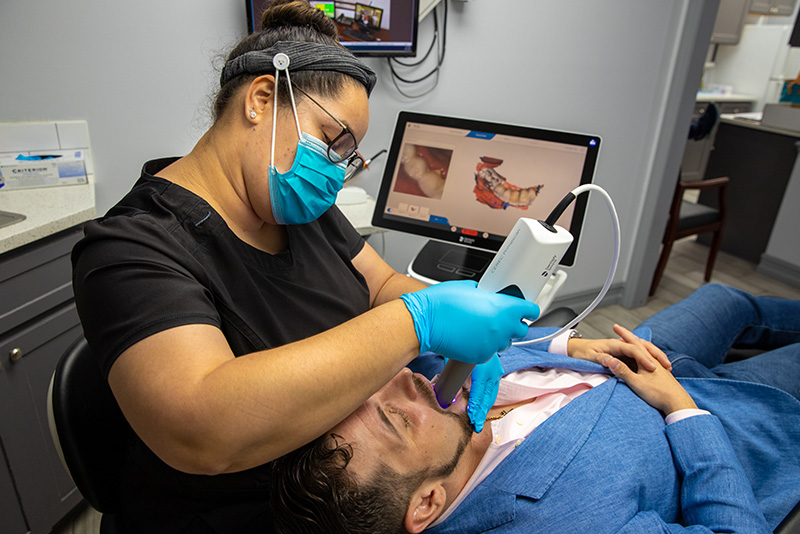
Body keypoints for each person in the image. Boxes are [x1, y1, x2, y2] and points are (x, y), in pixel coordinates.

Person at [70, 2, 537, 532]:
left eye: (349, 156)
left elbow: (381, 283)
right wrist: (417, 322)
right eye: (333, 141)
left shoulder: (295, 207)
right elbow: (201, 425)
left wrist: (485, 334)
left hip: (346, 500)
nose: (337, 171)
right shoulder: (132, 249)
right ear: (262, 99)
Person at [270, 283, 800, 534]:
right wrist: (684, 412)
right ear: (427, 504)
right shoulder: (563, 524)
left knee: (726, 299)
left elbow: (450, 351)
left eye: (373, 389)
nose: (405, 378)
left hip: (623, 354)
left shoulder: (426, 403)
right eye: (396, 416)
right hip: (726, 417)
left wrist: (566, 347)